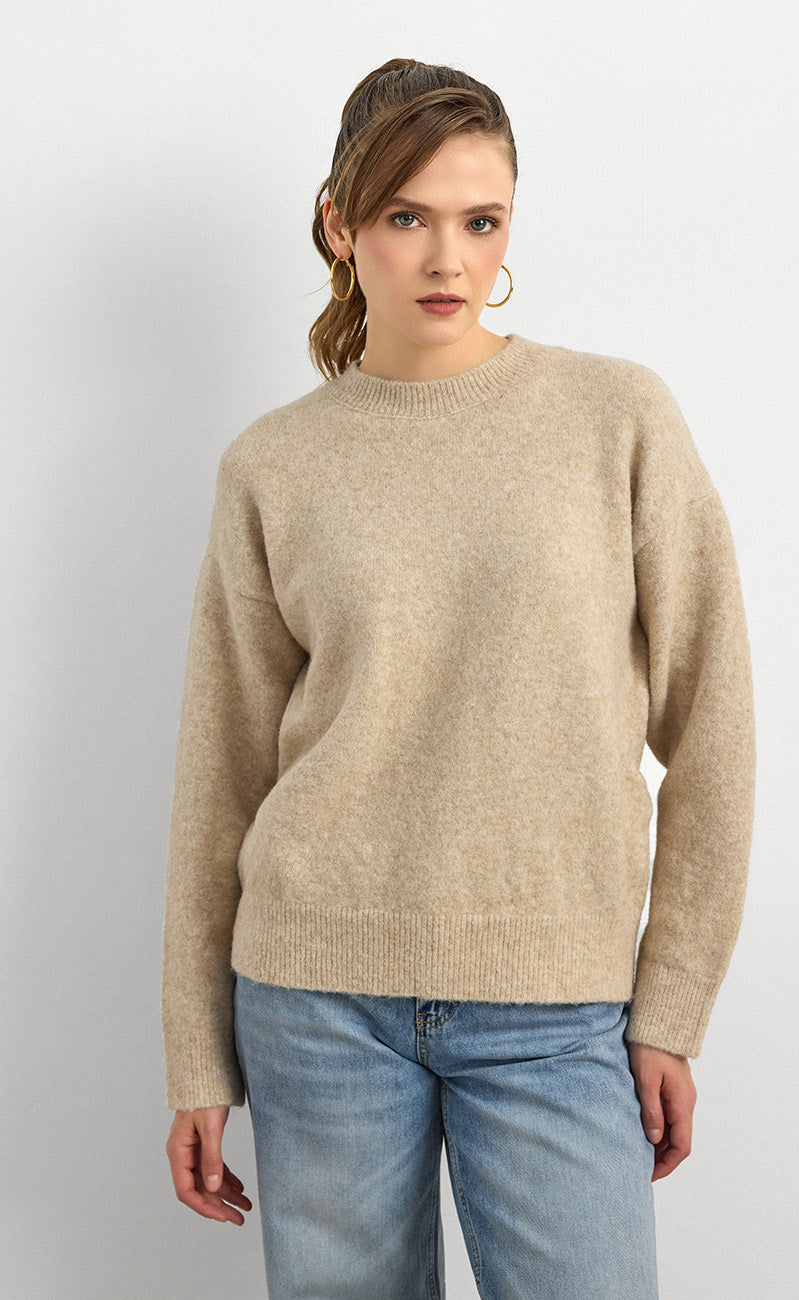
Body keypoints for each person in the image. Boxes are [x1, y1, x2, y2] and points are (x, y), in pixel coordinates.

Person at [162, 57, 756, 1299]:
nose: (448, 259)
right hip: (314, 1000)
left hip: (558, 1002)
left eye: (481, 221)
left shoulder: (616, 418)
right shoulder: (274, 464)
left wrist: (671, 1004)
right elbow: (222, 770)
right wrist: (197, 1057)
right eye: (406, 216)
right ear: (340, 225)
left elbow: (714, 727)